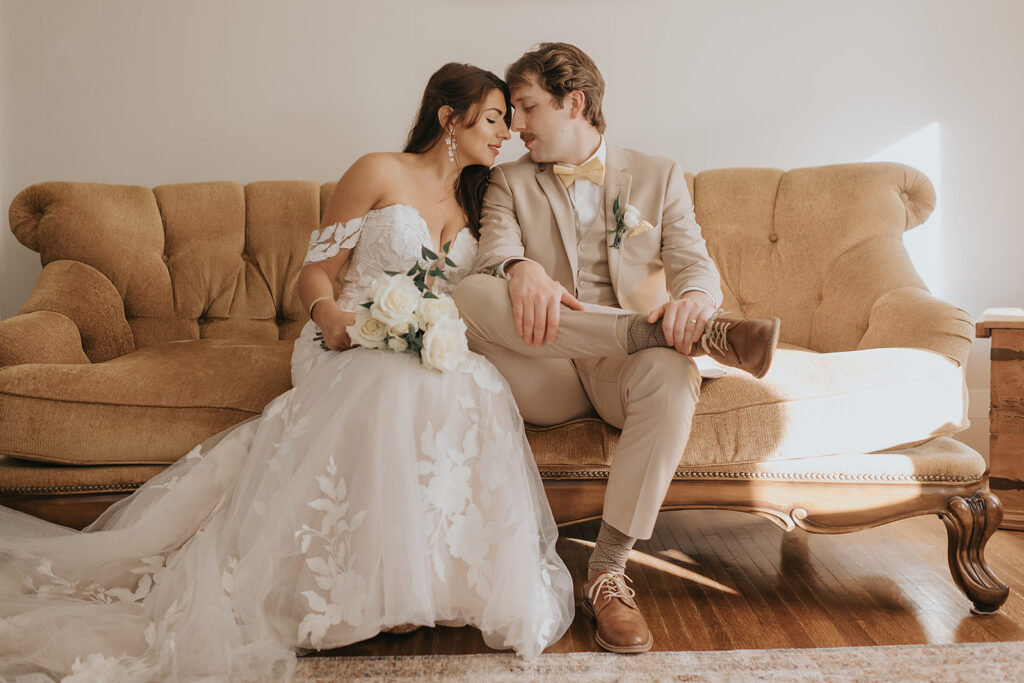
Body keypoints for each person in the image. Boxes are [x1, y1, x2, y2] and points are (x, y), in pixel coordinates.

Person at [0, 63, 574, 682]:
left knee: (473, 385)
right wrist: (332, 320)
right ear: (448, 118)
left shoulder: (482, 197)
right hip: (349, 337)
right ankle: (354, 587)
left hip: (424, 344)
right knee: (390, 386)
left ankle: (435, 583)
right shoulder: (379, 171)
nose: (505, 134)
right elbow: (316, 272)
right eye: (493, 119)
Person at [453, 43, 780, 654]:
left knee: (673, 370)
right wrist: (518, 266)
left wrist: (697, 306)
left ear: (573, 102)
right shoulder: (508, 180)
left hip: (625, 374)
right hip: (543, 366)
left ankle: (608, 572)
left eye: (525, 107)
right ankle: (659, 332)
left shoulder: (658, 175)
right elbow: (493, 253)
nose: (515, 126)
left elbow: (694, 268)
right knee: (471, 293)